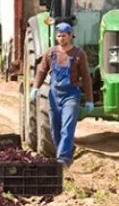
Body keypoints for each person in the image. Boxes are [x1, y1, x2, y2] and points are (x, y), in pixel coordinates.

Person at [30, 22, 94, 167]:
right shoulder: (50, 53)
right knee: (55, 129)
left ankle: (63, 159)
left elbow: (86, 77)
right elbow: (41, 71)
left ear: (70, 36)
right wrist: (35, 87)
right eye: (58, 36)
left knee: (67, 127)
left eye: (64, 36)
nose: (61, 38)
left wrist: (90, 99)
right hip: (54, 95)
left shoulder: (78, 54)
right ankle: (67, 150)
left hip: (71, 95)